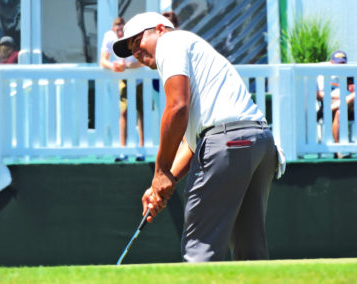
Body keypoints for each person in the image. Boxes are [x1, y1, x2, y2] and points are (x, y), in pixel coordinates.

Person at [113, 12, 285, 262]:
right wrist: (161, 184)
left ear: (160, 29)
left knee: (200, 249)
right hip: (258, 142)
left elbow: (177, 108)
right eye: (131, 50)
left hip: (228, 142)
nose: (136, 52)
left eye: (137, 41)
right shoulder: (193, 52)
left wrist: (161, 171)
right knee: (251, 252)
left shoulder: (170, 42)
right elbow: (192, 144)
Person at [100, 17, 145, 162]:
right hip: (124, 80)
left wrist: (128, 67)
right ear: (114, 29)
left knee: (141, 112)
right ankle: (123, 150)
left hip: (140, 79)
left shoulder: (133, 35)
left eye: (122, 29)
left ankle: (141, 149)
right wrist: (113, 66)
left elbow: (143, 60)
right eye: (117, 29)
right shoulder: (109, 37)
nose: (120, 32)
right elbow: (103, 60)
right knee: (124, 112)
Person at [316, 50, 357, 158]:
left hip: (345, 109)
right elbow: (319, 94)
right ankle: (340, 151)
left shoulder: (352, 77)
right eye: (337, 63)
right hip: (330, 105)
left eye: (342, 63)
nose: (340, 66)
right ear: (331, 62)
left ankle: (338, 151)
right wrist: (343, 97)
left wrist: (356, 92)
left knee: (350, 100)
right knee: (340, 111)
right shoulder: (324, 74)